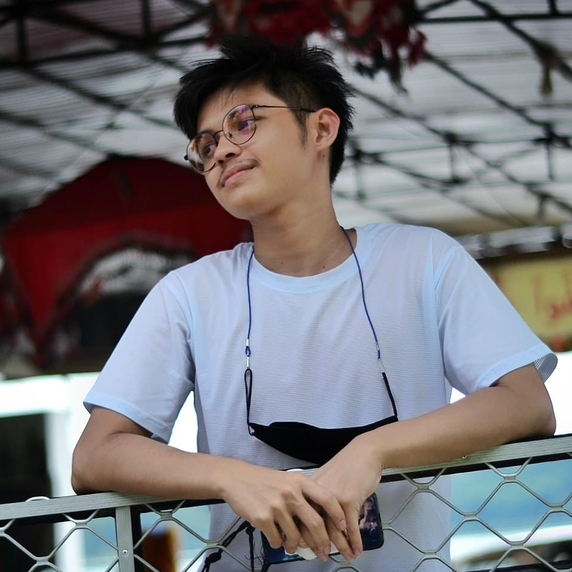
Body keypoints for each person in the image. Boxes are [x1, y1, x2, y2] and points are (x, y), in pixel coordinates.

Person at [72, 36, 557, 571]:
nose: (222, 152)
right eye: (205, 146)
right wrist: (229, 477)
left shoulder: (423, 260)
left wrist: (373, 451)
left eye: (244, 123)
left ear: (322, 129)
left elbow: (527, 404)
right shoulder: (188, 294)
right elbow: (95, 455)